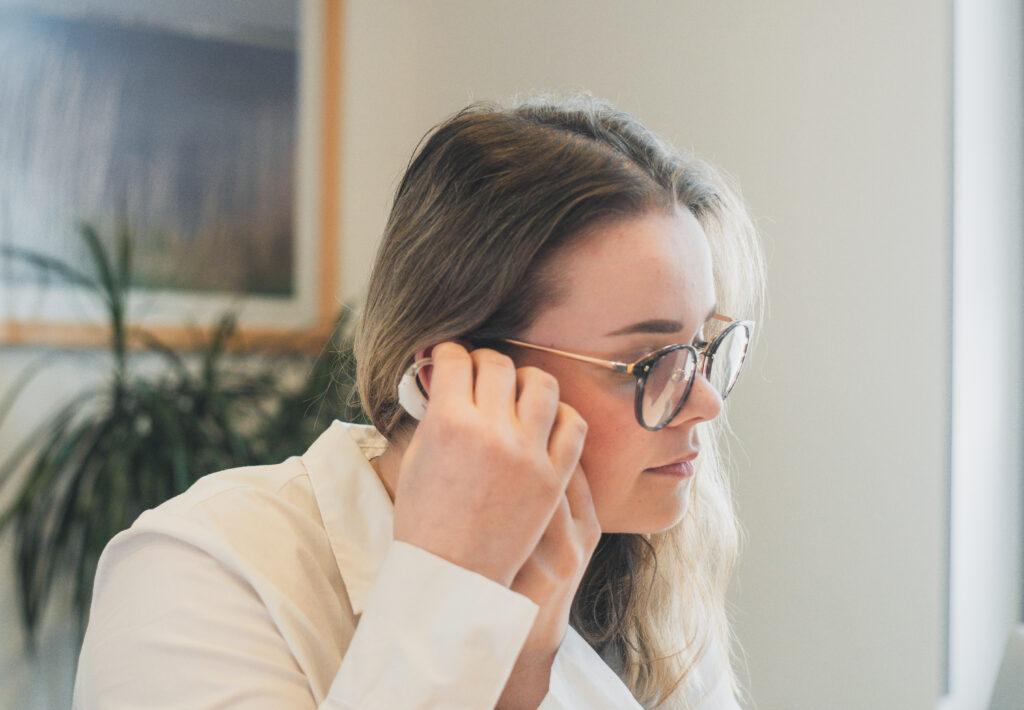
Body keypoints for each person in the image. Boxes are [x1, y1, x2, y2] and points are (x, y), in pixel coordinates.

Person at [73, 94, 764, 709]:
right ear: (451, 379)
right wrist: (463, 601)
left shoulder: (648, 591)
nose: (705, 401)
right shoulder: (200, 573)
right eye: (649, 363)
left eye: (703, 347)